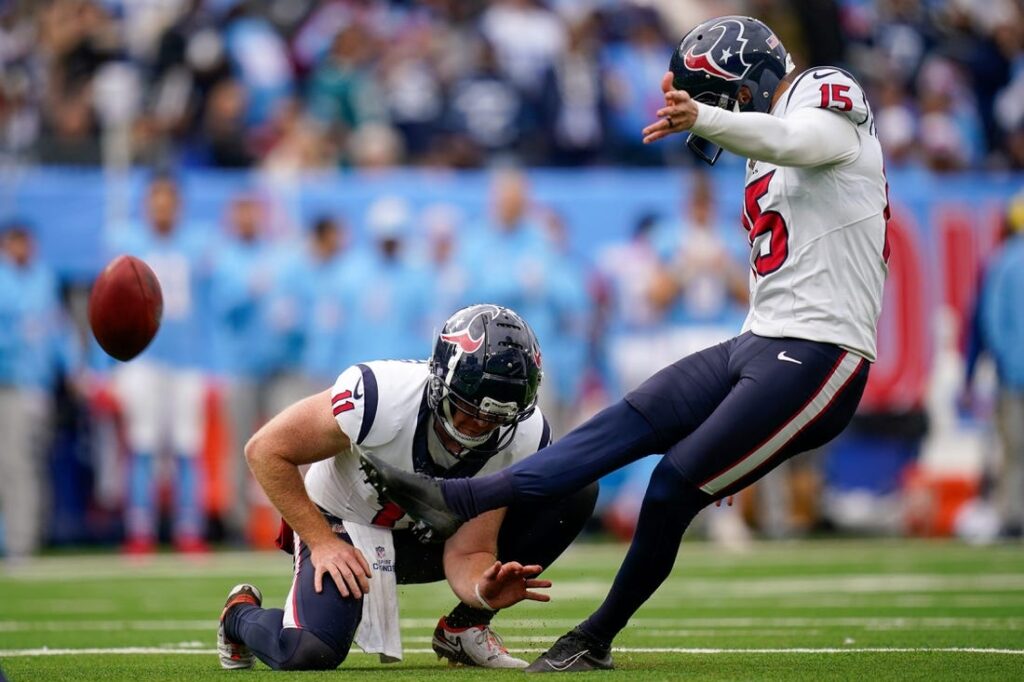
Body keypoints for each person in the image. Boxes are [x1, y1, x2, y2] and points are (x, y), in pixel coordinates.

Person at [360, 15, 890, 672]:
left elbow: (798, 139)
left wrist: (703, 116)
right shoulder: (761, 141)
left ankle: (595, 635)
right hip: (759, 340)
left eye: (717, 97)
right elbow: (773, 143)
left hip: (822, 354)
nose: (713, 114)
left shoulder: (823, 91)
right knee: (622, 424)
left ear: (749, 84)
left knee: (671, 485)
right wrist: (711, 116)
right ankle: (453, 497)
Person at [217, 304, 598, 671]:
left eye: (496, 418)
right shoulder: (379, 397)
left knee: (574, 490)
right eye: (469, 408)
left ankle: (467, 627)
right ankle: (238, 614)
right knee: (308, 652)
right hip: (342, 523)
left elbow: (471, 549)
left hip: (425, 532)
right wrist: (322, 541)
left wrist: (482, 593)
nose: (479, 427)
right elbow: (265, 450)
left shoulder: (524, 435)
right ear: (441, 383)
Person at [978, 191, 1024, 539]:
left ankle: (1011, 517)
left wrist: (1008, 363)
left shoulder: (1004, 260)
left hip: (1014, 375)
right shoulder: (1006, 261)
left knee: (1014, 451)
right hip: (1014, 372)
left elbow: (991, 321)